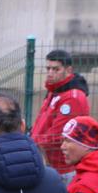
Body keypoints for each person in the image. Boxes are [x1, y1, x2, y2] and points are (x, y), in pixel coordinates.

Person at [30, 49, 90, 179]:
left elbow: (59, 134)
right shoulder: (55, 91)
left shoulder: (72, 98)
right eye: (48, 69)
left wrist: (32, 143)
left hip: (64, 168)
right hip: (51, 164)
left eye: (56, 69)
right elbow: (42, 122)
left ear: (68, 70)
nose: (50, 73)